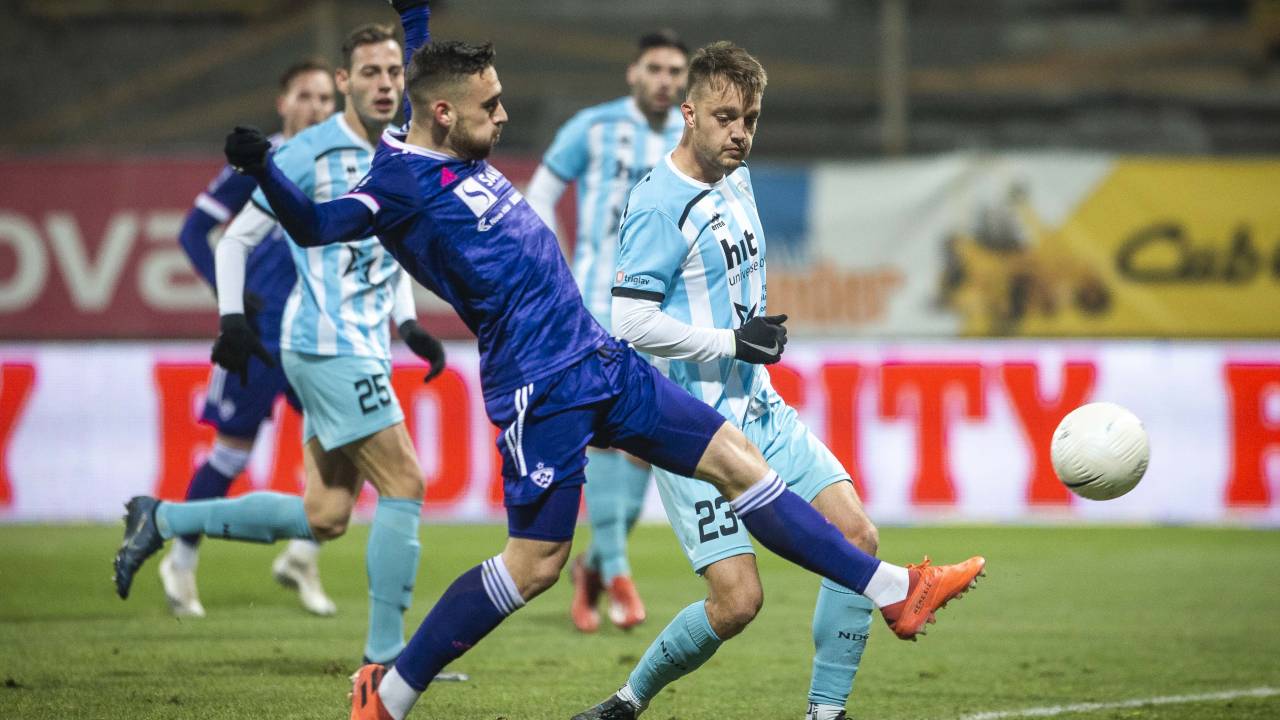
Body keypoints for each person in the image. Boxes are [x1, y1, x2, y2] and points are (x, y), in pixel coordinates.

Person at [213, 6, 985, 718]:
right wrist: (266, 171)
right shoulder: (393, 189)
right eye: (492, 106)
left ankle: (896, 590)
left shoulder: (436, 125)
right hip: (538, 385)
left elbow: (426, 72)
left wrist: (416, 14)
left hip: (596, 356)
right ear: (447, 114)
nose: (503, 115)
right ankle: (389, 694)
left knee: (737, 458)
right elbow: (315, 225)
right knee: (534, 564)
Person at [576, 41, 896, 720]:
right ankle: (628, 701)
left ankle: (826, 713)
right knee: (738, 602)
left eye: (749, 118)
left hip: (761, 410)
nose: (740, 132)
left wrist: (753, 331)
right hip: (693, 431)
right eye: (725, 117)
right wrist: (731, 341)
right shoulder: (659, 203)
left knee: (858, 539)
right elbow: (629, 320)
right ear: (689, 113)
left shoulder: (736, 177)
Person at [113, 23, 447, 668]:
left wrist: (407, 324)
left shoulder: (404, 148)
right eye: (370, 73)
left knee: (325, 515)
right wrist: (232, 317)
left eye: (393, 72)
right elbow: (232, 238)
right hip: (324, 343)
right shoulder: (306, 152)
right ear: (344, 82)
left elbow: (388, 246)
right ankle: (389, 663)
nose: (385, 84)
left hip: (362, 343)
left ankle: (164, 519)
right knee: (405, 480)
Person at [524, 29, 689, 633]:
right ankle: (617, 570)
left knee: (643, 446)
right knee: (601, 437)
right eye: (655, 68)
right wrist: (556, 268)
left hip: (663, 312)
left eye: (675, 71)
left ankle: (591, 566)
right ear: (633, 72)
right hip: (595, 304)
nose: (665, 80)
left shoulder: (689, 136)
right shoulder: (593, 127)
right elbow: (540, 193)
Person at [163, 57, 338, 620]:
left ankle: (302, 558)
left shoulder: (345, 160)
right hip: (259, 336)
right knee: (230, 455)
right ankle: (180, 562)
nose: (316, 107)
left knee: (345, 448)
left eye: (325, 98)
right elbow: (194, 232)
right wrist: (230, 299)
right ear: (282, 104)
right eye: (305, 96)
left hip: (318, 332)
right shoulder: (262, 160)